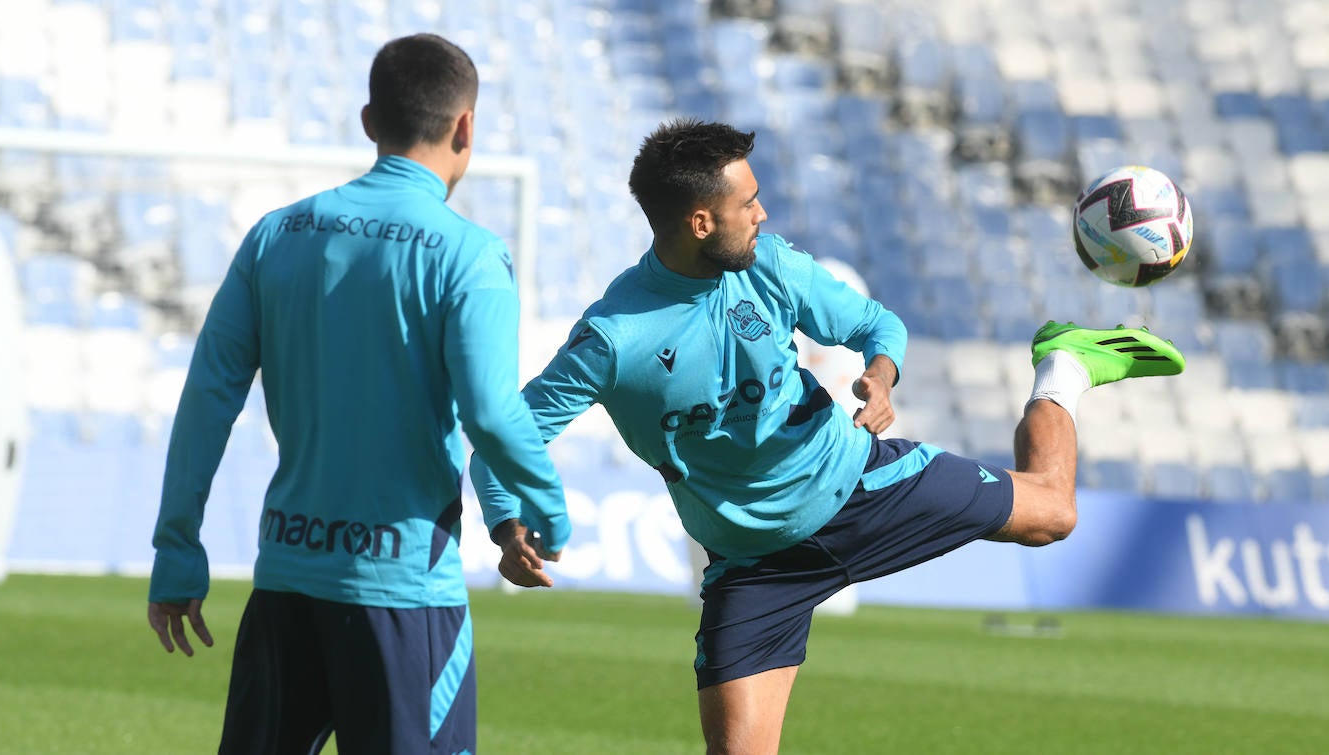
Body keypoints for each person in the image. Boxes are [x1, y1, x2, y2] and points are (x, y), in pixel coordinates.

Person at [473, 118, 1185, 754]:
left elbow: (880, 325)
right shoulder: (612, 338)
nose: (762, 212)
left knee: (1054, 512)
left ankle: (1062, 364)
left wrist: (882, 374)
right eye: (745, 203)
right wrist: (507, 528)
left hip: (863, 487)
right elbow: (507, 434)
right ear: (697, 222)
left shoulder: (770, 264)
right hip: (754, 569)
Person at [146, 34, 567, 755]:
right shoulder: (469, 253)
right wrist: (544, 510)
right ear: (466, 128)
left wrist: (176, 546)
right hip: (401, 594)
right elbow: (492, 414)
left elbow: (209, 397)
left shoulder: (275, 235)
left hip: (285, 583)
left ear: (369, 120)